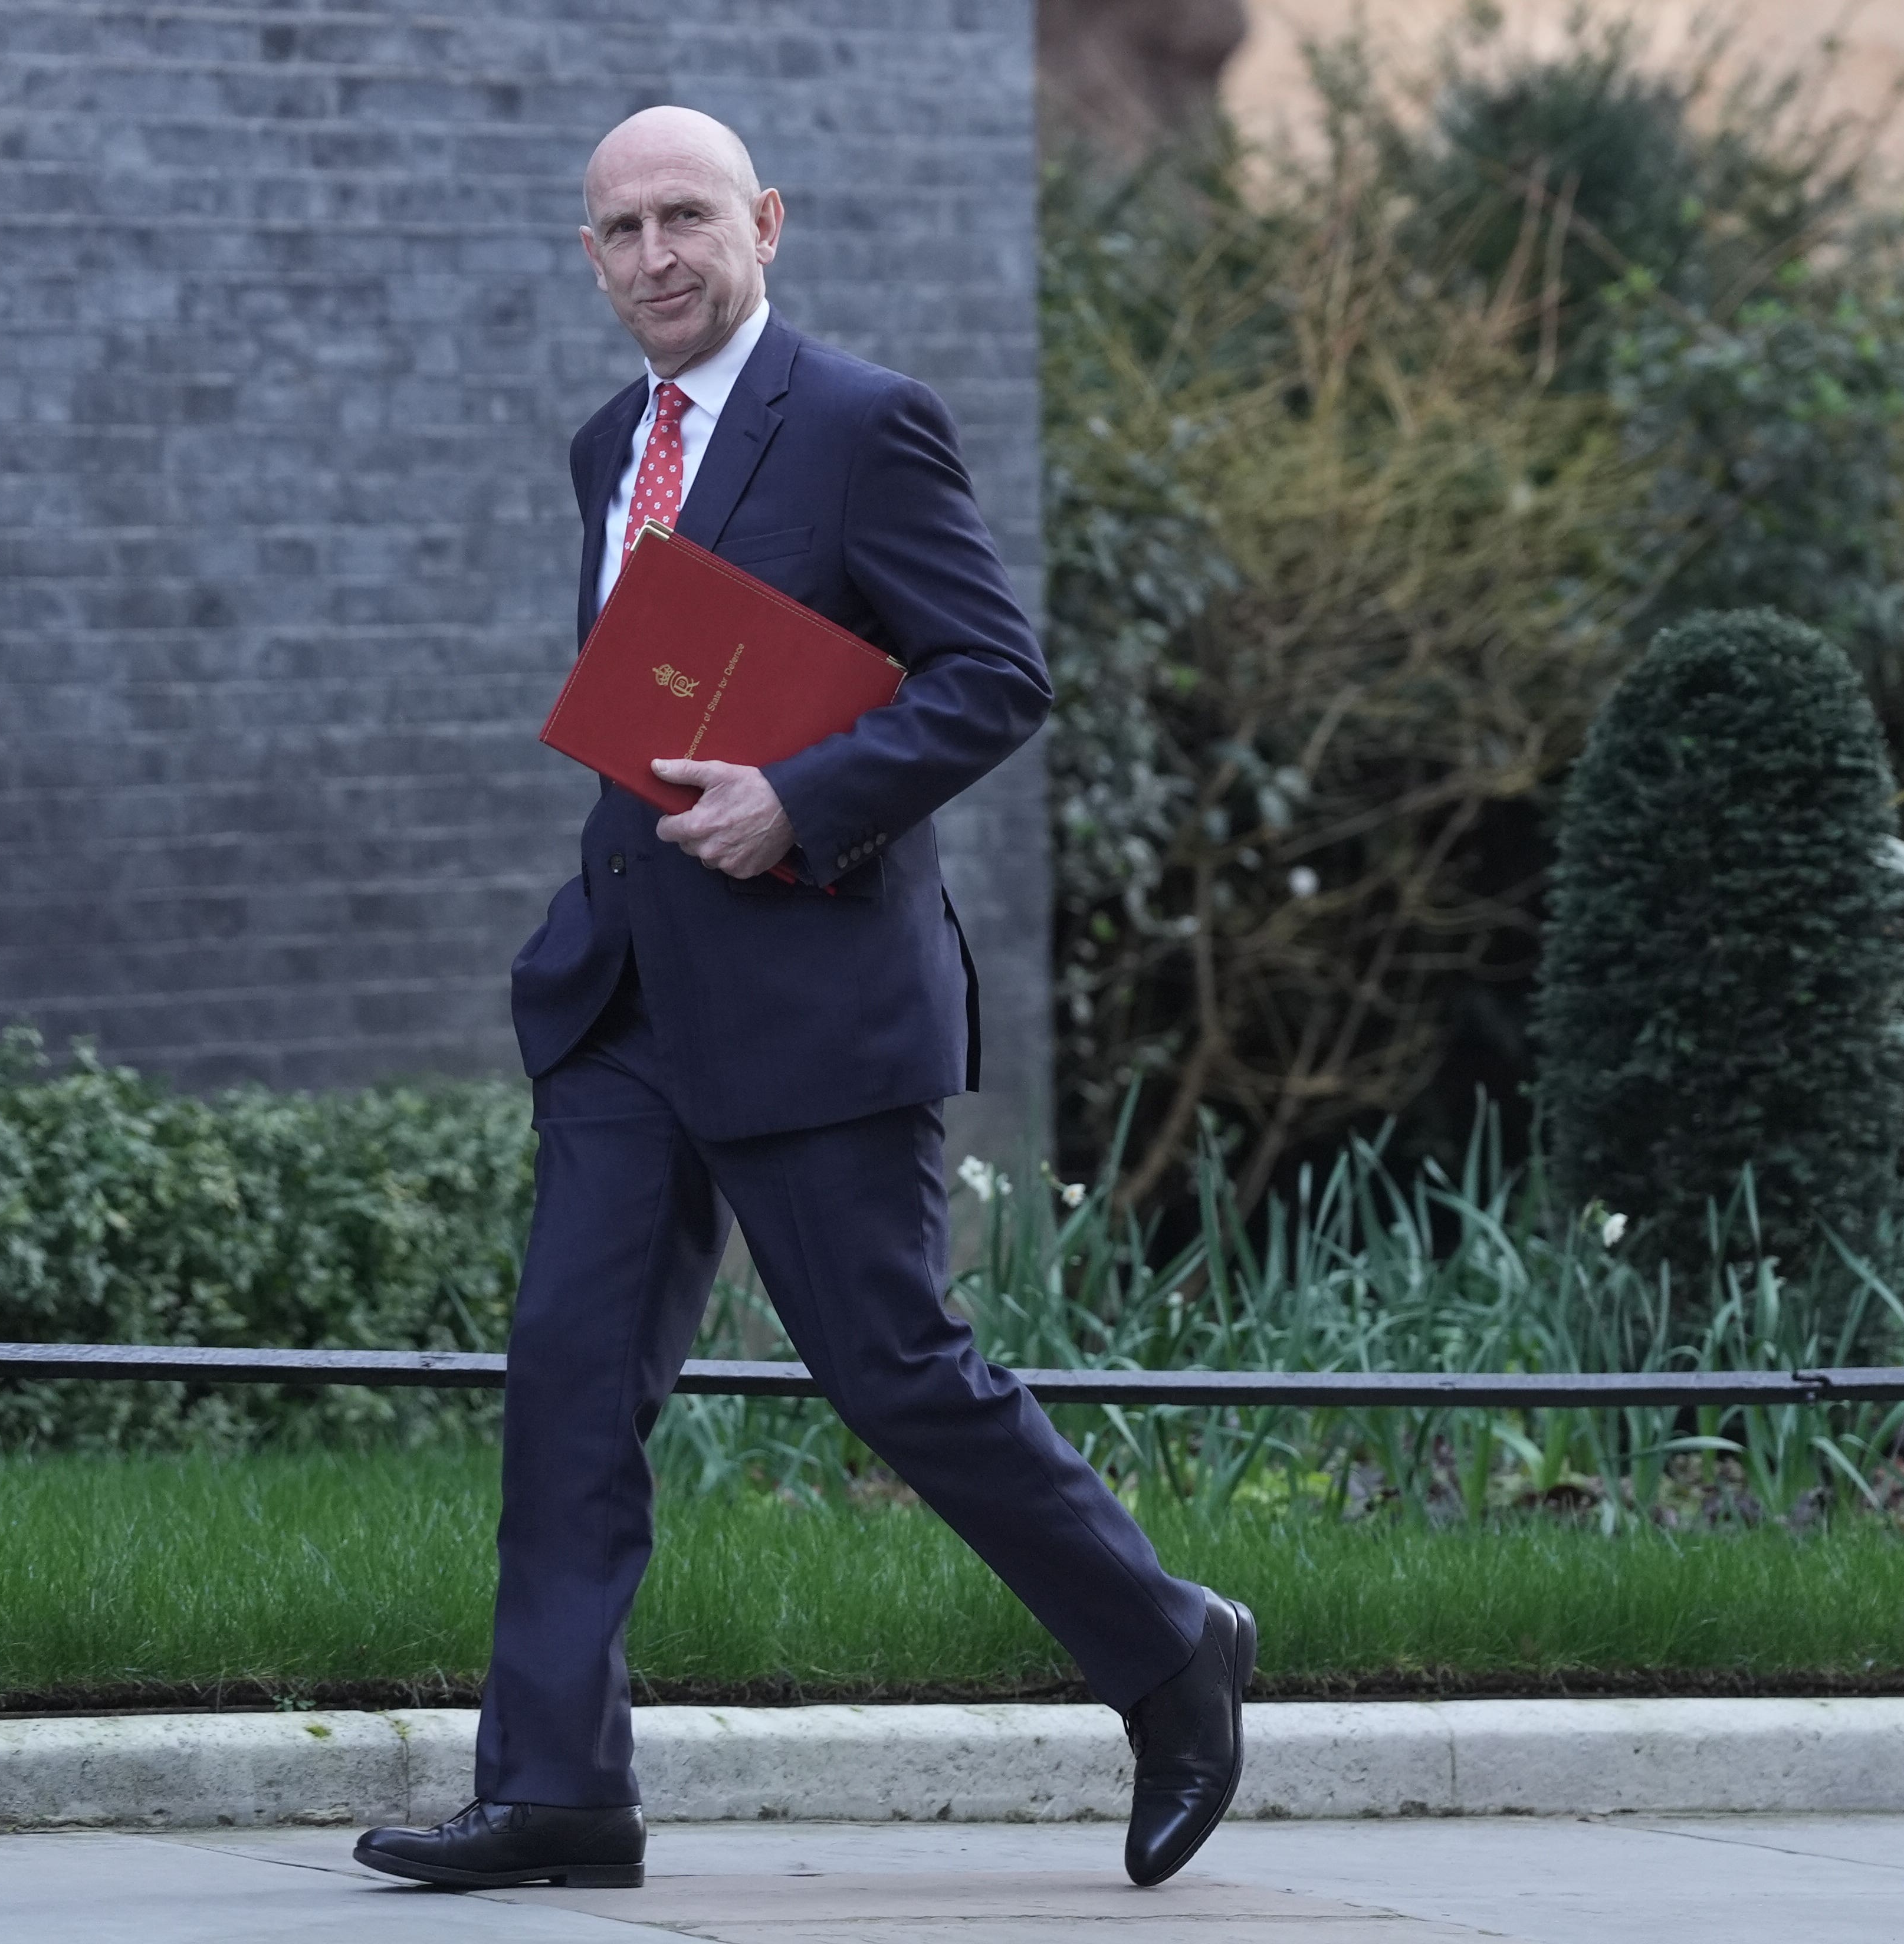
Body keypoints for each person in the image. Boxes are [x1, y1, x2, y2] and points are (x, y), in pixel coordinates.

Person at [354, 106, 1250, 1895]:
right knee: (569, 1380)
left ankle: (1172, 1654)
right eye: (619, 230)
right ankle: (557, 1792)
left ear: (765, 221)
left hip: (814, 997)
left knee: (895, 1372)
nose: (655, 256)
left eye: (686, 216)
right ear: (589, 254)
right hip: (622, 998)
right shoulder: (610, 444)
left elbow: (994, 674)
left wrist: (805, 798)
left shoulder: (858, 423)